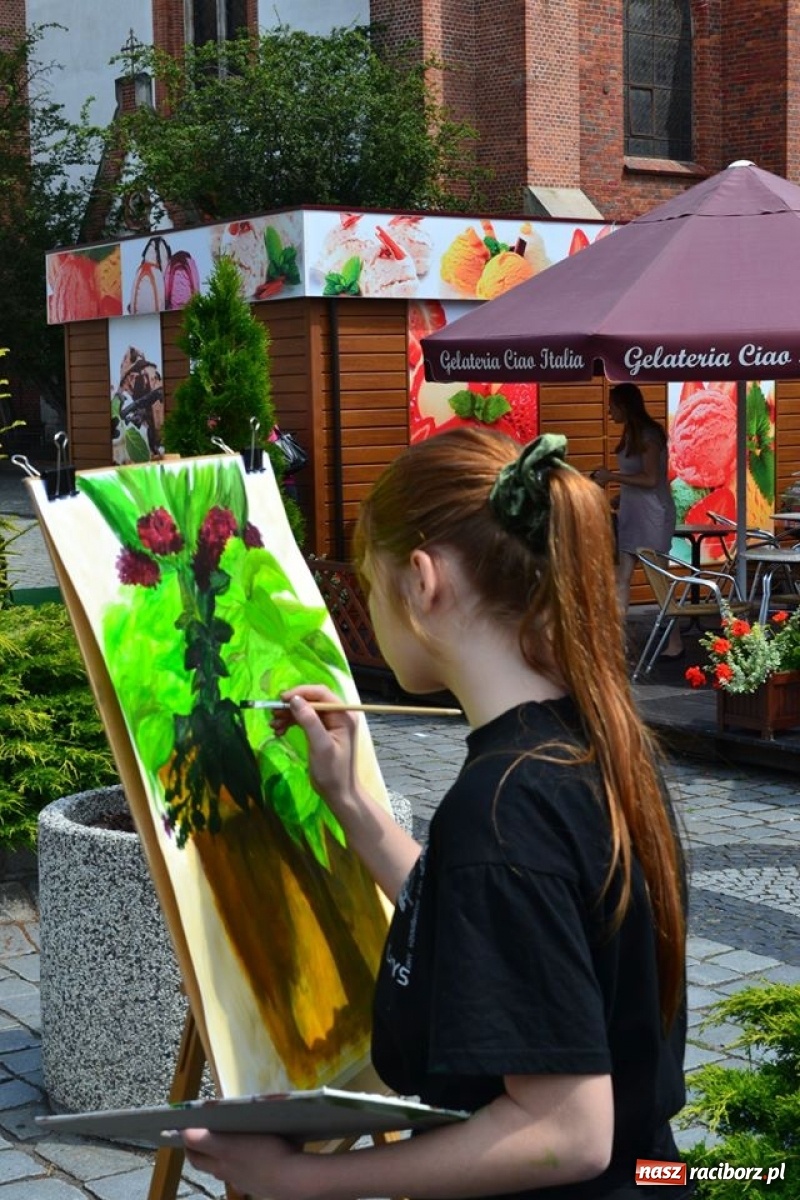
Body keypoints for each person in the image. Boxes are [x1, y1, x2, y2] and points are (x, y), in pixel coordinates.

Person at [182, 428, 692, 1199]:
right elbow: (501, 922)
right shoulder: (588, 742)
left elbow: (566, 1131)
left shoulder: (504, 807)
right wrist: (352, 804)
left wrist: (306, 1180)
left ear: (421, 581)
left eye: (366, 584)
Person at [592, 383, 683, 660]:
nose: (609, 412)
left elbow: (651, 479)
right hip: (632, 515)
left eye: (612, 406)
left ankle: (675, 642)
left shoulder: (648, 434)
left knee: (658, 580)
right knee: (622, 578)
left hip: (653, 516)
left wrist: (612, 478)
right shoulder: (631, 434)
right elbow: (639, 480)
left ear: (624, 406)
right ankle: (614, 642)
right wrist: (621, 497)